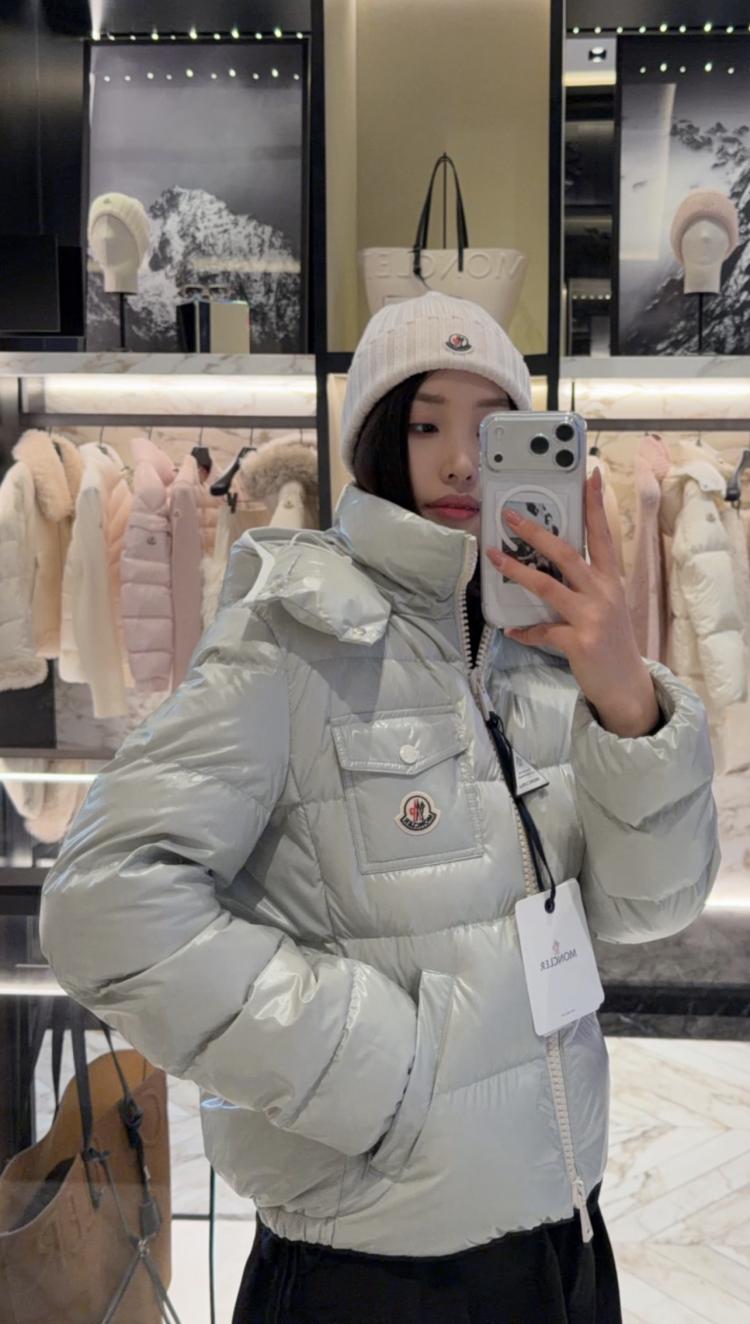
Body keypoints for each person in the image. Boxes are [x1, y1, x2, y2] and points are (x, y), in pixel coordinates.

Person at [40, 293, 719, 1323]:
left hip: (564, 1242)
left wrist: (627, 698)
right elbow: (103, 903)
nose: (461, 462)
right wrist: (381, 1071)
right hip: (373, 1271)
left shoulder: (549, 654)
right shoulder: (291, 636)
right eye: (425, 424)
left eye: (493, 429)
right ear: (374, 440)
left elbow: (649, 909)